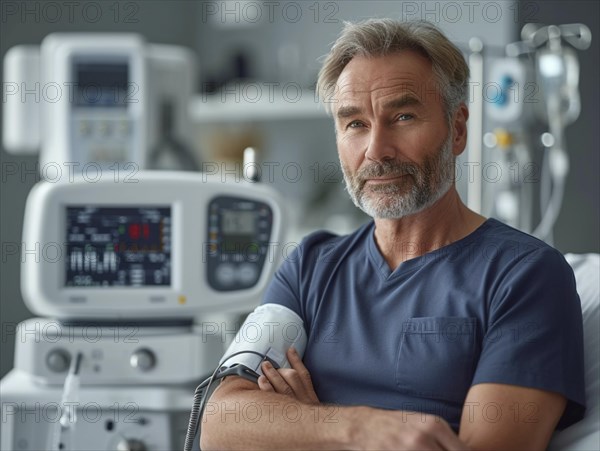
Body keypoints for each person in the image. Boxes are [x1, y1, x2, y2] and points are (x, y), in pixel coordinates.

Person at [201, 19, 585, 450]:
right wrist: (356, 430)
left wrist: (300, 426)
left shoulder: (524, 276)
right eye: (355, 124)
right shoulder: (309, 266)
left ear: (457, 129)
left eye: (403, 117)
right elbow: (219, 422)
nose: (376, 151)